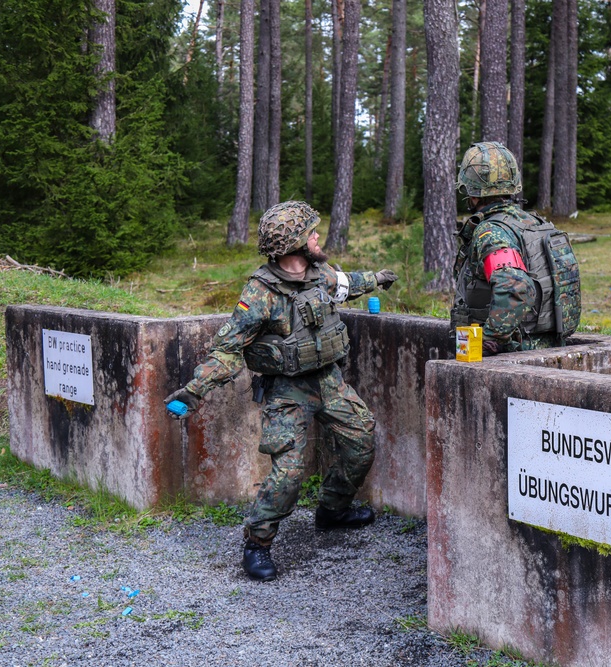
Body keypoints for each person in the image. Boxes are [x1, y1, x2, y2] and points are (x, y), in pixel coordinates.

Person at [164, 201, 398, 582]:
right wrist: (194, 390)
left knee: (361, 439)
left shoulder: (319, 272)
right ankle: (258, 542)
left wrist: (377, 278)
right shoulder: (260, 294)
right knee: (288, 472)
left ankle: (333, 510)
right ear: (294, 244)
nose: (318, 237)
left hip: (327, 379)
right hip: (287, 389)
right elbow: (227, 349)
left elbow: (347, 284)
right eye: (311, 233)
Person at [451, 141, 581, 355]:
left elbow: (515, 286)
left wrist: (489, 340)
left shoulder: (491, 232)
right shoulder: (531, 222)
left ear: (472, 193)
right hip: (546, 349)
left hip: (512, 352)